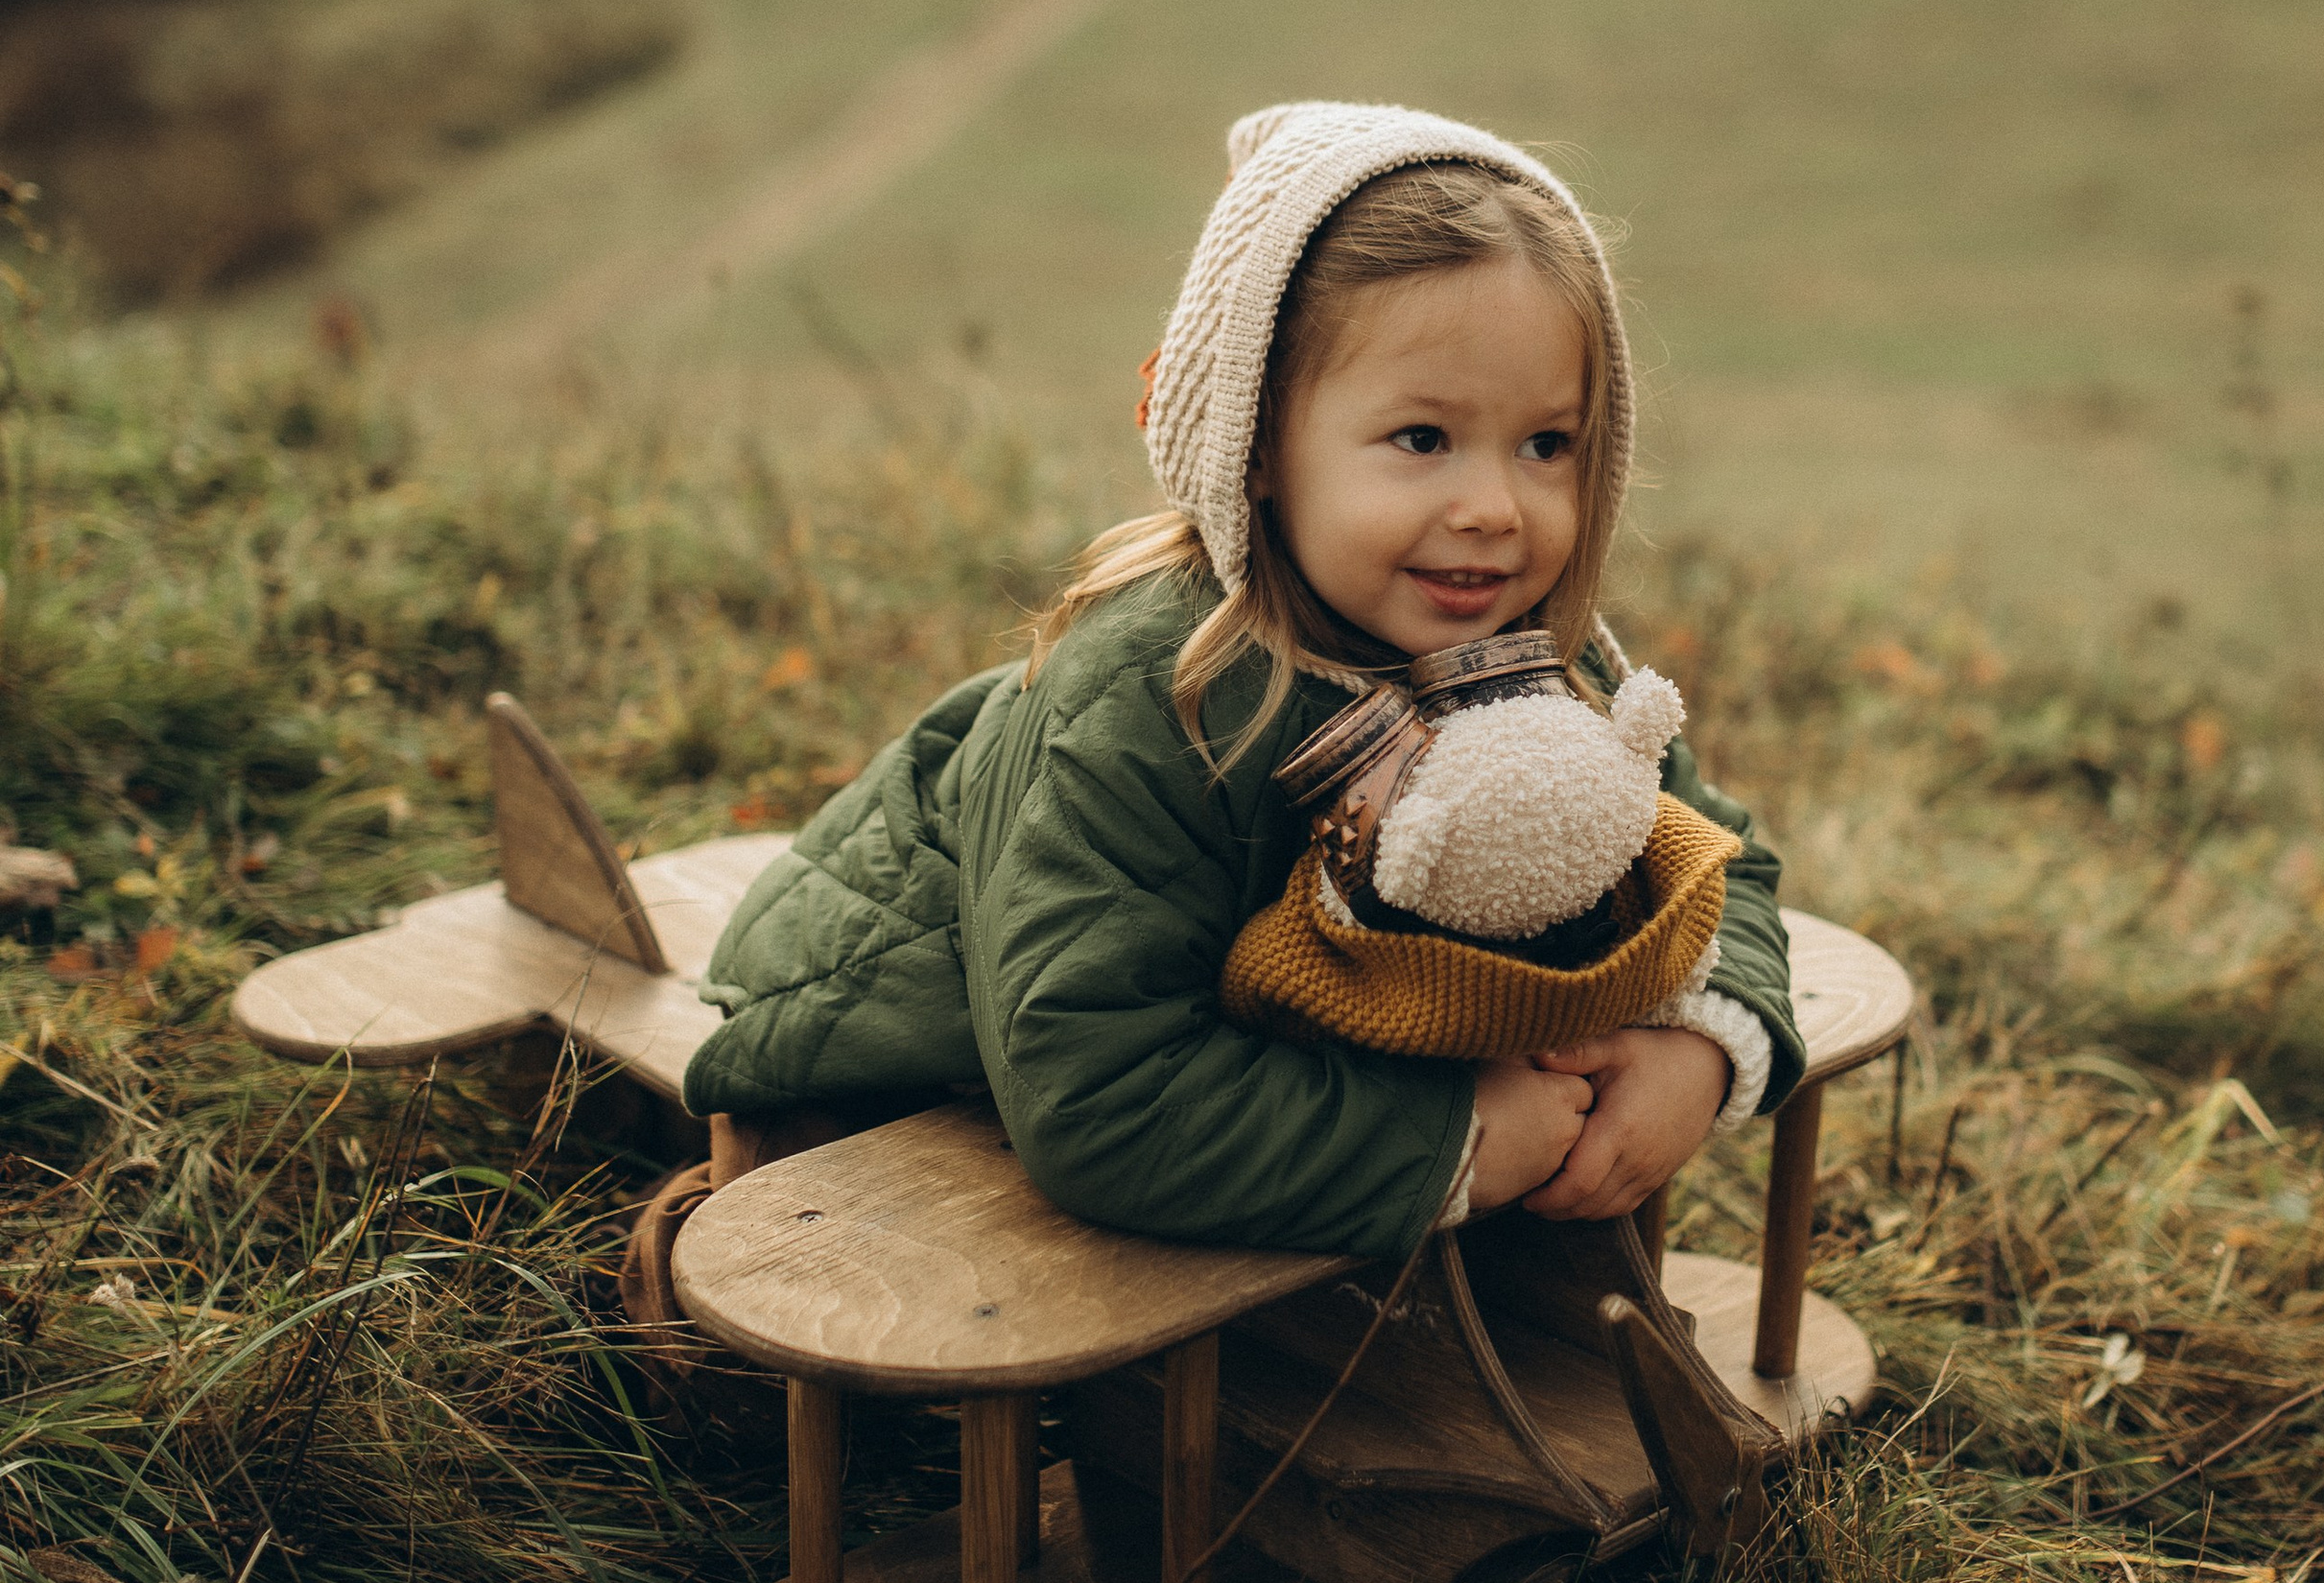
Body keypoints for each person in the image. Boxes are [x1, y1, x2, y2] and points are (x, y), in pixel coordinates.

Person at [683, 104, 1803, 1254]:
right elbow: (1096, 1094)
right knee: (880, 1259)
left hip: (1247, 1070)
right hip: (914, 1055)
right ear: (1257, 437)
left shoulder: (1548, 667)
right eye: (1422, 438)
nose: (1493, 506)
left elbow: (1723, 861)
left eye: (1546, 444)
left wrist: (1701, 1048)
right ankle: (699, 1244)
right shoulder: (1148, 697)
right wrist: (1446, 1139)